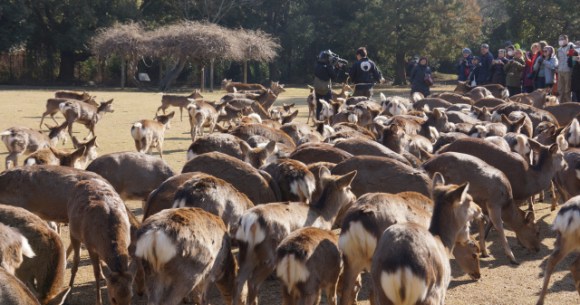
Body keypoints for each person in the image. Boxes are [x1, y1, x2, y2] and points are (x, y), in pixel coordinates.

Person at [313, 50, 338, 119]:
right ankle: (329, 120)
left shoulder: (317, 65)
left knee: (319, 106)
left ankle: (318, 121)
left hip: (318, 89)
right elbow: (333, 76)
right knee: (329, 105)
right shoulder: (328, 66)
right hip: (326, 89)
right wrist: (337, 68)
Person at [557, 35, 576, 103]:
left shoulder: (571, 46)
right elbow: (559, 60)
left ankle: (568, 104)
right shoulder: (559, 49)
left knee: (567, 89)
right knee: (560, 89)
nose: (560, 40)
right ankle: (561, 104)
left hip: (568, 70)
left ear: (566, 39)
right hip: (560, 70)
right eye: (559, 39)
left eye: (562, 39)